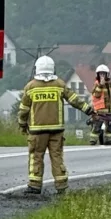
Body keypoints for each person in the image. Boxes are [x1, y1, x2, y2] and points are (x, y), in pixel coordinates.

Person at [17, 55, 94, 195]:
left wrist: (22, 124)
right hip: (56, 130)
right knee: (57, 156)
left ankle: (34, 185)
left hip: (37, 131)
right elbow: (74, 100)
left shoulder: (31, 87)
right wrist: (88, 110)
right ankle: (61, 185)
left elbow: (24, 110)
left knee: (36, 156)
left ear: (37, 69)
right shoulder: (59, 84)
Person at [88, 64, 111, 146]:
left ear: (107, 74)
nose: (102, 75)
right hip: (100, 110)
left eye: (103, 73)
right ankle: (93, 140)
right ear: (97, 74)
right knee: (97, 126)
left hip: (110, 110)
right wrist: (100, 85)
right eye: (100, 73)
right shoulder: (97, 84)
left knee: (109, 126)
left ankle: (108, 140)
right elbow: (96, 95)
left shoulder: (109, 84)